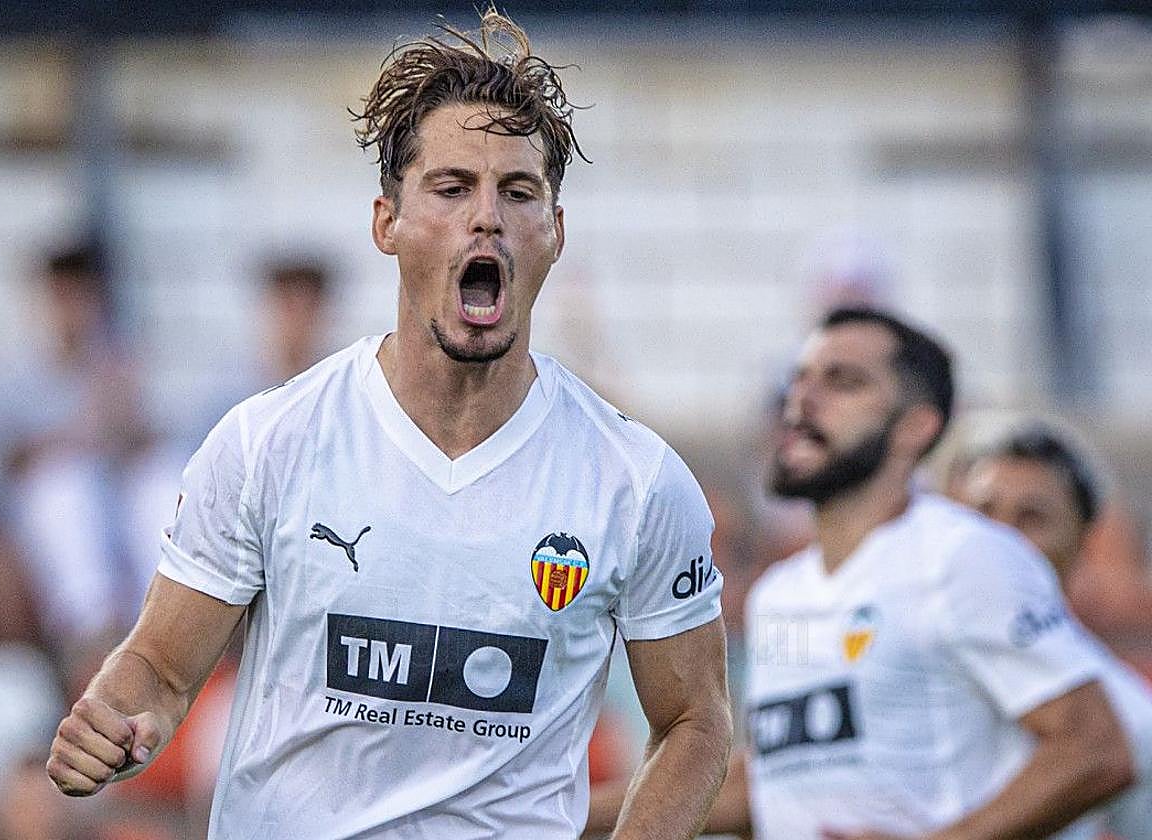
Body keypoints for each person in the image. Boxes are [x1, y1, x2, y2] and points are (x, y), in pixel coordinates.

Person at [46, 10, 732, 839]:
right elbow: (158, 668)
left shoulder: (637, 480)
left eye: (518, 193)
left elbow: (695, 721)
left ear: (553, 233)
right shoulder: (270, 442)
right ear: (387, 225)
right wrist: (115, 719)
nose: (487, 218)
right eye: (451, 189)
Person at [702, 306, 1134, 840]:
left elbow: (1096, 752)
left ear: (916, 427)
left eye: (843, 381)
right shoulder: (777, 595)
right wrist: (575, 813)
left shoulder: (964, 556)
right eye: (800, 379)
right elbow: (769, 785)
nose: (802, 400)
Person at [957, 423, 1152, 840]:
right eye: (983, 512)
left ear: (1083, 540)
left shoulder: (1128, 714)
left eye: (1032, 518)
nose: (998, 537)